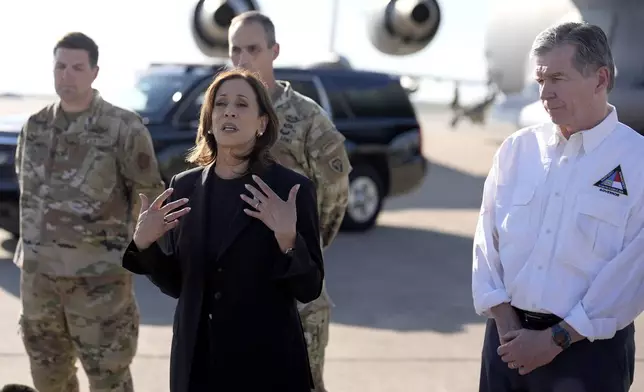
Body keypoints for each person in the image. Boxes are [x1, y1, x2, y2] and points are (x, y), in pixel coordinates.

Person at [121, 68, 325, 392]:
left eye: (242, 104)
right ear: (209, 120)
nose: (228, 110)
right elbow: (179, 285)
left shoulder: (290, 188)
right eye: (220, 103)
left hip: (266, 366)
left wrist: (289, 240)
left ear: (262, 124)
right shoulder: (184, 186)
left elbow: (309, 287)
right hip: (198, 365)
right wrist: (145, 244)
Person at [472, 22, 644, 392]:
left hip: (586, 357)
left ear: (600, 79)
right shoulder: (517, 151)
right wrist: (505, 322)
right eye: (540, 81)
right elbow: (487, 241)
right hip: (507, 343)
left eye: (558, 78)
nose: (545, 94)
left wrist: (556, 340)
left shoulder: (637, 162)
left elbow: (632, 273)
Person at [14, 32, 165, 392]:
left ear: (95, 72)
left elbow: (150, 197)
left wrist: (133, 253)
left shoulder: (122, 128)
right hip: (39, 284)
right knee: (48, 378)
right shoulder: (34, 127)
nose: (67, 75)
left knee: (108, 379)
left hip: (100, 285)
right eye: (60, 66)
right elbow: (28, 193)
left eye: (77, 67)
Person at [227, 11, 351, 391]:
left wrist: (299, 248)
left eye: (253, 49)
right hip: (235, 294)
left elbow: (334, 197)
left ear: (274, 51)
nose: (243, 59)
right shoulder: (223, 113)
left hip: (294, 296)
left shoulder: (307, 119)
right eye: (235, 50)